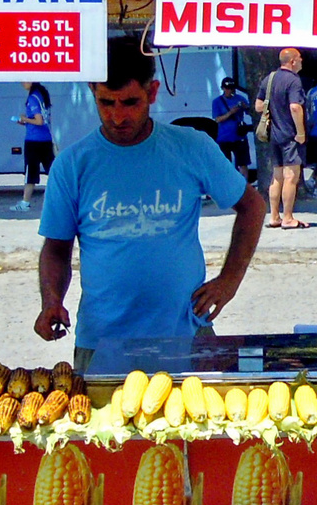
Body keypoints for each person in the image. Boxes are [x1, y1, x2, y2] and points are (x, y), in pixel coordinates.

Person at [36, 38, 267, 371]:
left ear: (153, 92)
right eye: (106, 103)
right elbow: (56, 248)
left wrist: (229, 281)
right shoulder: (73, 164)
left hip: (186, 336)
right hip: (102, 341)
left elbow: (252, 206)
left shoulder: (191, 147)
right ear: (92, 91)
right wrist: (51, 301)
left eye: (130, 102)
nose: (117, 116)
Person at [256, 48, 308, 229]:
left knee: (276, 176)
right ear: (293, 61)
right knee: (291, 177)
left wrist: (275, 107)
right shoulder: (293, 81)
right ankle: (288, 218)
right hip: (289, 135)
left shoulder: (269, 79)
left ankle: (274, 217)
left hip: (274, 136)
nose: (302, 62)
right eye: (300, 59)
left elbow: (258, 106)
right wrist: (300, 133)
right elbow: (295, 107)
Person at [12, 81, 54, 211]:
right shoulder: (41, 95)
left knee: (31, 172)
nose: (22, 83)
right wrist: (26, 123)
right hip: (46, 139)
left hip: (34, 140)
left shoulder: (32, 98)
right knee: (53, 171)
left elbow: (39, 121)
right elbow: (43, 120)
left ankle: (25, 203)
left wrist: (25, 119)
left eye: (24, 80)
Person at [210, 77, 252, 180]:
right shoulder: (217, 102)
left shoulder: (240, 98)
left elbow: (250, 113)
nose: (230, 91)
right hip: (224, 137)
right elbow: (217, 119)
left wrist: (245, 107)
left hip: (239, 135)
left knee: (243, 163)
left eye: (232, 88)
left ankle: (244, 185)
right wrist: (230, 113)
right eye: (227, 88)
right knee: (225, 164)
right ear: (223, 88)